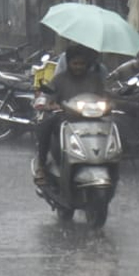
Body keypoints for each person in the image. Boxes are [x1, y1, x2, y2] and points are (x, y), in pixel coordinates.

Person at [35, 45, 107, 184]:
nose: (79, 67)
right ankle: (41, 165)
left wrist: (110, 103)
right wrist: (49, 104)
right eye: (75, 63)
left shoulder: (95, 79)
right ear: (68, 63)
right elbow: (48, 95)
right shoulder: (60, 79)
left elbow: (104, 96)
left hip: (93, 119)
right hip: (65, 118)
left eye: (82, 63)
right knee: (45, 125)